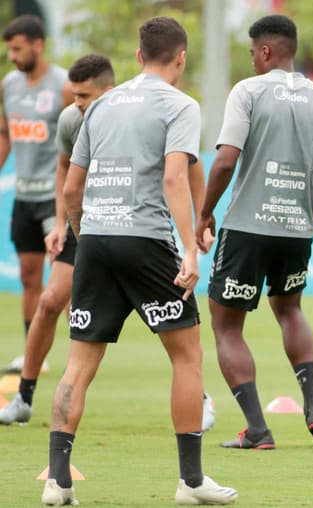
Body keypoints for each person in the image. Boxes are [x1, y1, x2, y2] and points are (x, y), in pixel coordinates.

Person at [42, 17, 237, 506]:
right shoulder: (180, 104)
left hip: (96, 242)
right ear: (181, 58)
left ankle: (57, 481)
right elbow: (176, 177)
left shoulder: (101, 104)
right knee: (187, 356)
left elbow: (71, 189)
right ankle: (191, 482)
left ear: (136, 56)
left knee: (79, 364)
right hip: (146, 241)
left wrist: (89, 246)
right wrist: (189, 250)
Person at [0, 53, 216, 432]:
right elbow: (67, 172)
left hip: (137, 231)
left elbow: (188, 170)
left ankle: (198, 397)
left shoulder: (136, 111)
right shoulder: (72, 119)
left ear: (109, 90)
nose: (78, 103)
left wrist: (201, 218)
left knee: (171, 331)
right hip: (88, 225)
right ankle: (24, 398)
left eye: (84, 95)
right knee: (51, 301)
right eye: (76, 96)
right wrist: (61, 225)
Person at [196, 14, 313, 450]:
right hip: (297, 229)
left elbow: (225, 160)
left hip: (247, 227)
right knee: (290, 310)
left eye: (251, 54)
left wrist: (205, 212)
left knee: (227, 327)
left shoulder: (248, 91)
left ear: (264, 51)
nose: (251, 63)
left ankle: (257, 429)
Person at [0, 15, 73, 373]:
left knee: (66, 279)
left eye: (17, 48)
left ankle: (81, 347)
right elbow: (4, 134)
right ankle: (33, 356)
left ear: (37, 44)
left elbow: (82, 139)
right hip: (24, 198)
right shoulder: (9, 85)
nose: (12, 55)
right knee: (30, 278)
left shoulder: (63, 85)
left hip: (54, 198)